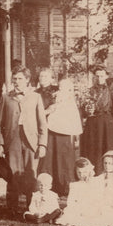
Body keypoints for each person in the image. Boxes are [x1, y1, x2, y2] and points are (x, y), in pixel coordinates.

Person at [0, 67, 48, 213]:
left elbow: (42, 123)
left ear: (27, 80)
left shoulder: (35, 97)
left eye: (20, 79)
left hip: (31, 141)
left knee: (31, 174)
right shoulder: (6, 97)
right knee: (13, 174)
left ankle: (31, 208)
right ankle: (12, 208)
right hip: (13, 140)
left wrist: (42, 144)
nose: (17, 82)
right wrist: (0, 144)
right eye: (15, 79)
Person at [37, 70, 81, 198]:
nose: (61, 89)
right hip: (51, 131)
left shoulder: (68, 100)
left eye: (65, 88)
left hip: (64, 133)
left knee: (64, 159)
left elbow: (73, 118)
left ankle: (65, 185)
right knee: (50, 158)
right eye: (60, 87)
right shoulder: (54, 95)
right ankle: (51, 185)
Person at [81, 65, 113, 174]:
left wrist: (109, 116)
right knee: (94, 148)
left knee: (107, 147)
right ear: (94, 77)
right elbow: (83, 109)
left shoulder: (111, 90)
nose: (99, 78)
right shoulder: (89, 91)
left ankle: (109, 172)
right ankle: (94, 173)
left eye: (102, 76)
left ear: (106, 76)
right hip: (92, 122)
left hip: (106, 122)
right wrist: (87, 111)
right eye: (97, 76)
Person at [57, 158, 108, 226]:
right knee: (70, 215)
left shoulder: (95, 182)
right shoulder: (74, 185)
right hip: (79, 208)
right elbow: (71, 202)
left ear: (89, 171)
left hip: (92, 207)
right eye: (79, 172)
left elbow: (98, 198)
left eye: (84, 172)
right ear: (75, 172)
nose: (81, 175)